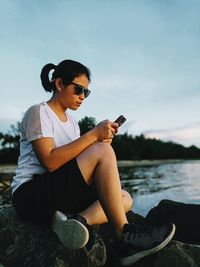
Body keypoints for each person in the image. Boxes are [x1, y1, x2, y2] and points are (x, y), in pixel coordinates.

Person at [11, 59, 175, 266]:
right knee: (102, 152)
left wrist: (97, 142)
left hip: (57, 192)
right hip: (31, 194)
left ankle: (75, 222)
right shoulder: (38, 112)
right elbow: (51, 161)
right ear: (59, 84)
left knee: (124, 197)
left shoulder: (72, 123)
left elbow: (73, 161)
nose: (82, 97)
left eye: (86, 93)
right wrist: (93, 138)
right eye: (79, 89)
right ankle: (125, 236)